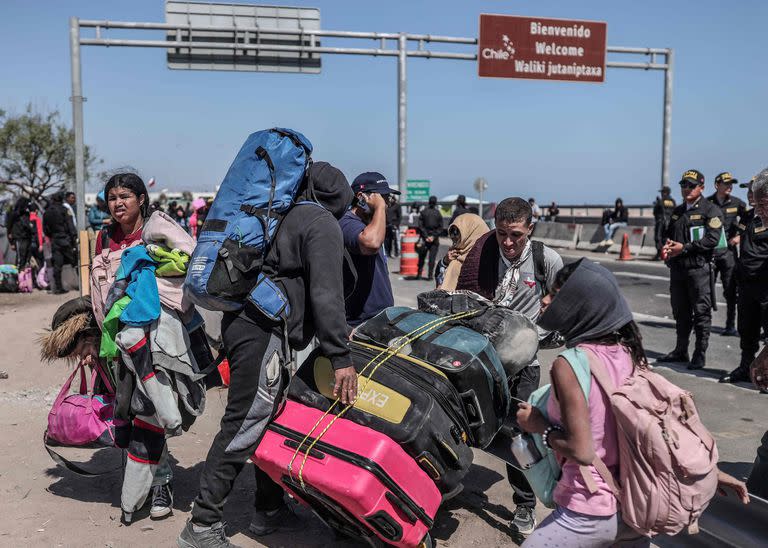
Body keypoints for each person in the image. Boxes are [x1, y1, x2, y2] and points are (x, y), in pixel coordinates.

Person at [178, 161, 358, 548]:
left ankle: (269, 509)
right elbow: (327, 295)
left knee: (270, 419)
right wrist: (340, 357)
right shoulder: (321, 222)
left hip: (246, 323)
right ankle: (203, 525)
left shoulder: (279, 215)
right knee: (243, 423)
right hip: (262, 333)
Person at [516, 258, 749, 547]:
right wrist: (710, 472)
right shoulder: (629, 353)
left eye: (558, 292)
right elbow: (653, 430)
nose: (546, 299)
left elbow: (582, 451)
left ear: (581, 302)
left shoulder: (570, 364)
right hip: (632, 509)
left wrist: (540, 427)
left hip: (588, 510)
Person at [456, 197, 563, 536]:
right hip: (484, 359)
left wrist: (540, 336)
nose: (508, 242)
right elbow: (459, 290)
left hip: (525, 363)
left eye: (516, 235)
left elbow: (564, 302)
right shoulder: (483, 253)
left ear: (529, 229)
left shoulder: (546, 259)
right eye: (502, 233)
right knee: (469, 420)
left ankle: (525, 504)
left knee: (520, 432)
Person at [657, 169, 724, 370]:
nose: (686, 189)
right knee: (680, 311)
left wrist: (684, 248)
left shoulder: (710, 210)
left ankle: (699, 353)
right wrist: (667, 249)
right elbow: (669, 235)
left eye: (691, 185)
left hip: (699, 270)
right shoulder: (678, 211)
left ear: (701, 187)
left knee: (701, 312)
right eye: (683, 185)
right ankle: (681, 350)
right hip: (678, 270)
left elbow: (712, 240)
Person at [721, 172, 768, 385]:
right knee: (747, 330)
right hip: (747, 283)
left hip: (765, 285)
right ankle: (746, 367)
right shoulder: (748, 217)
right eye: (749, 191)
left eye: (754, 190)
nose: (750, 195)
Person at [339, 172, 398, 328]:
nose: (386, 204)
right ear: (361, 197)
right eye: (382, 197)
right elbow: (370, 243)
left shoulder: (371, 224)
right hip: (359, 321)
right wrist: (379, 207)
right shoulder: (346, 222)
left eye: (387, 199)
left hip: (381, 316)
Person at [708, 172, 747, 337]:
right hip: (709, 253)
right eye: (726, 183)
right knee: (706, 291)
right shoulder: (707, 203)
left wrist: (739, 235)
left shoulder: (738, 203)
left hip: (728, 254)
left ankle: (730, 325)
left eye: (732, 183)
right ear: (717, 185)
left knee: (730, 290)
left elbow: (748, 220)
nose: (730, 186)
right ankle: (704, 324)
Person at [435, 213, 488, 291]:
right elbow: (438, 278)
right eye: (452, 231)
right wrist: (445, 261)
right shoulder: (455, 254)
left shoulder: (486, 258)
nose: (454, 236)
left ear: (472, 232)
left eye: (458, 232)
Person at [43, 191, 78, 294]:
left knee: (57, 265)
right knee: (75, 262)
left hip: (55, 240)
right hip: (66, 240)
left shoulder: (47, 212)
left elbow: (46, 229)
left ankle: (58, 288)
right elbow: (70, 226)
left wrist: (53, 236)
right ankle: (83, 284)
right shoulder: (65, 210)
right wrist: (74, 238)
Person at [6, 196, 37, 270]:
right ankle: (18, 277)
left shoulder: (27, 214)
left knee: (27, 259)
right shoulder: (14, 214)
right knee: (20, 260)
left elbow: (31, 226)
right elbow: (8, 229)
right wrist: (12, 243)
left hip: (27, 238)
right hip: (19, 239)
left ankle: (25, 278)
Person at [417, 195, 443, 280]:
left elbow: (420, 226)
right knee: (432, 259)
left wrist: (426, 236)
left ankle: (419, 274)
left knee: (421, 257)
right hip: (434, 240)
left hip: (424, 239)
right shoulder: (438, 213)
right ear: (435, 203)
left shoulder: (423, 212)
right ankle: (430, 276)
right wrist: (433, 236)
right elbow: (441, 227)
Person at [652, 187, 676, 260]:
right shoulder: (672, 201)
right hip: (670, 222)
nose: (661, 194)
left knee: (658, 237)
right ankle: (665, 253)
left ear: (665, 192)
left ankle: (660, 253)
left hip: (661, 221)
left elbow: (655, 212)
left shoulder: (660, 201)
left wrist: (657, 204)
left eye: (662, 192)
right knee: (666, 238)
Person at [384, 193, 402, 258]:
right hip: (387, 225)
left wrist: (396, 225)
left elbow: (399, 217)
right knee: (387, 240)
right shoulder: (387, 206)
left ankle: (397, 253)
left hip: (394, 225)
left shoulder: (397, 206)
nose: (390, 199)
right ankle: (388, 253)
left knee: (396, 240)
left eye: (391, 198)